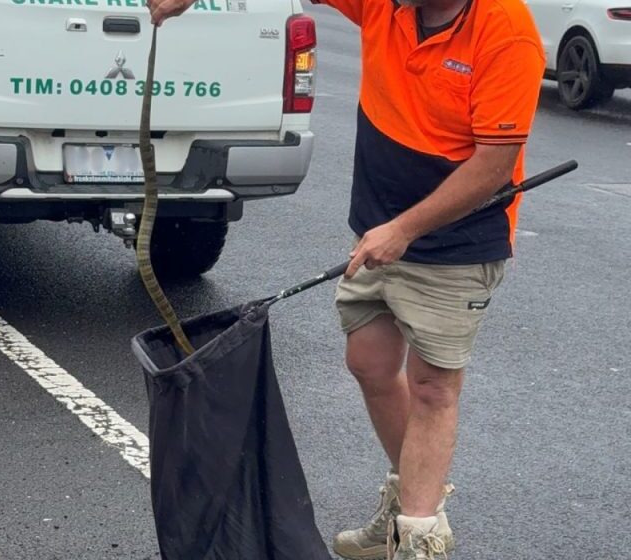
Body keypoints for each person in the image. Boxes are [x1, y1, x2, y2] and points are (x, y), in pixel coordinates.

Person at [147, 0, 545, 558]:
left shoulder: (506, 33)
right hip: (379, 231)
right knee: (370, 363)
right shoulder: (389, 5)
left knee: (433, 389)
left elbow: (494, 164)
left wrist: (403, 229)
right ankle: (408, 503)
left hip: (455, 243)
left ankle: (419, 538)